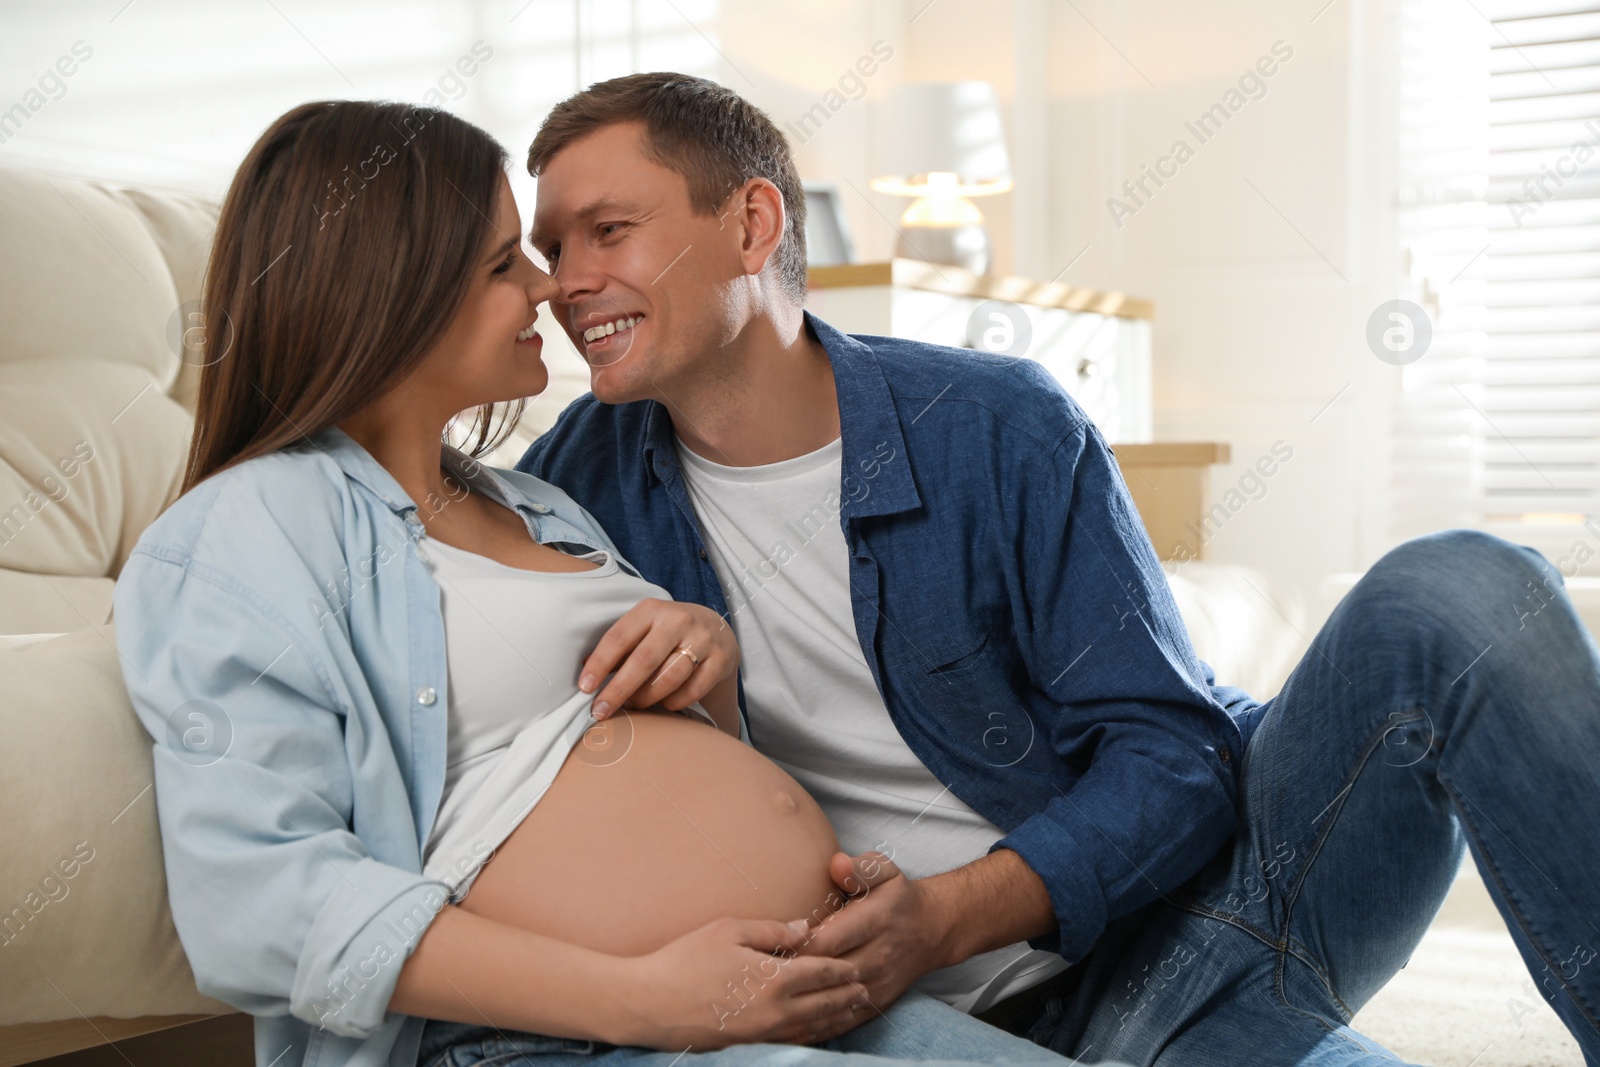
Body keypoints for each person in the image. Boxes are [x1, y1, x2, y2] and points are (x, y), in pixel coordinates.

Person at [515, 72, 1600, 1066]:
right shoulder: (572, 484)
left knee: (1462, 588)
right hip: (1023, 1021)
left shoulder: (997, 426)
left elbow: (1175, 755)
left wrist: (942, 915)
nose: (567, 283)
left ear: (753, 224)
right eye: (552, 249)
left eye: (608, 231)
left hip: (1208, 889)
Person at [114, 100, 1098, 1067]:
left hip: (798, 990)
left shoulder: (544, 503)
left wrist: (703, 661)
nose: (548, 287)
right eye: (506, 261)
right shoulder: (246, 529)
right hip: (570, 1031)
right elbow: (257, 898)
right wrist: (649, 999)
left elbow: (640, 765)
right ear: (389, 291)